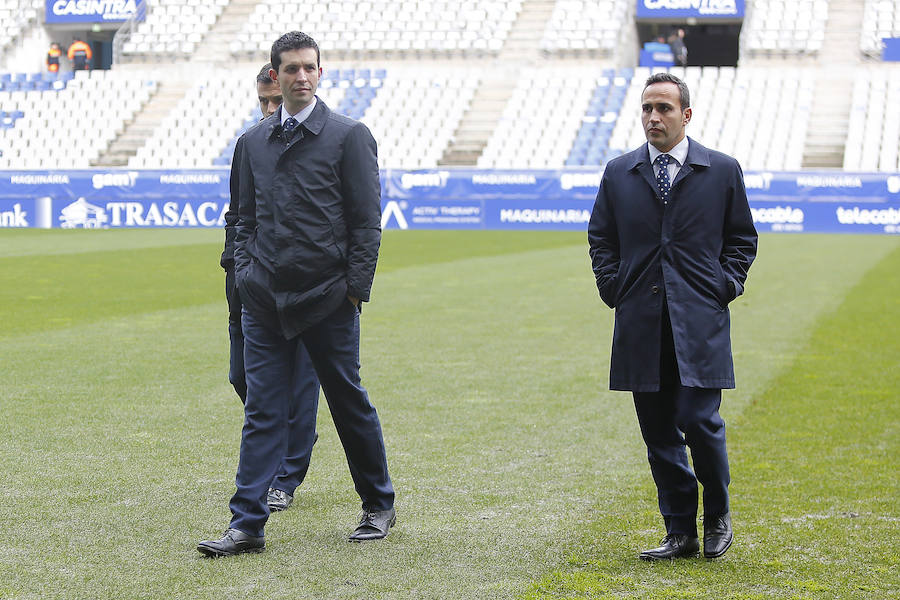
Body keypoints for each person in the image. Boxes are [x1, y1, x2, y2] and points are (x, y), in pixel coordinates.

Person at [198, 31, 395, 557]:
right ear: (276, 75)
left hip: (328, 299)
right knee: (262, 409)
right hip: (265, 299)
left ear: (320, 73)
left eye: (309, 68)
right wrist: (245, 275)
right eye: (291, 69)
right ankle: (246, 524)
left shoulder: (350, 136)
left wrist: (354, 292)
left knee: (347, 401)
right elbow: (241, 218)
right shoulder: (252, 142)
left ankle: (378, 503)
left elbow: (366, 224)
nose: (301, 77)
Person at [587, 72, 757, 561]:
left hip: (699, 321)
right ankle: (679, 529)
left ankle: (717, 515)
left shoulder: (721, 170)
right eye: (646, 108)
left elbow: (743, 239)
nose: (653, 117)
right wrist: (613, 287)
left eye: (663, 108)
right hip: (641, 321)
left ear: (685, 114)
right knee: (659, 431)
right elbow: (602, 238)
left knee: (698, 421)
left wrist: (724, 286)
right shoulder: (620, 172)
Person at [220, 62, 317, 515]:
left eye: (275, 101)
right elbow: (238, 214)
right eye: (262, 100)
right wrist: (236, 270)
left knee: (298, 385)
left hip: (303, 289)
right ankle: (292, 435)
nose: (269, 109)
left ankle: (286, 475)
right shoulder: (250, 144)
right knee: (243, 378)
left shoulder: (314, 144)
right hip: (249, 285)